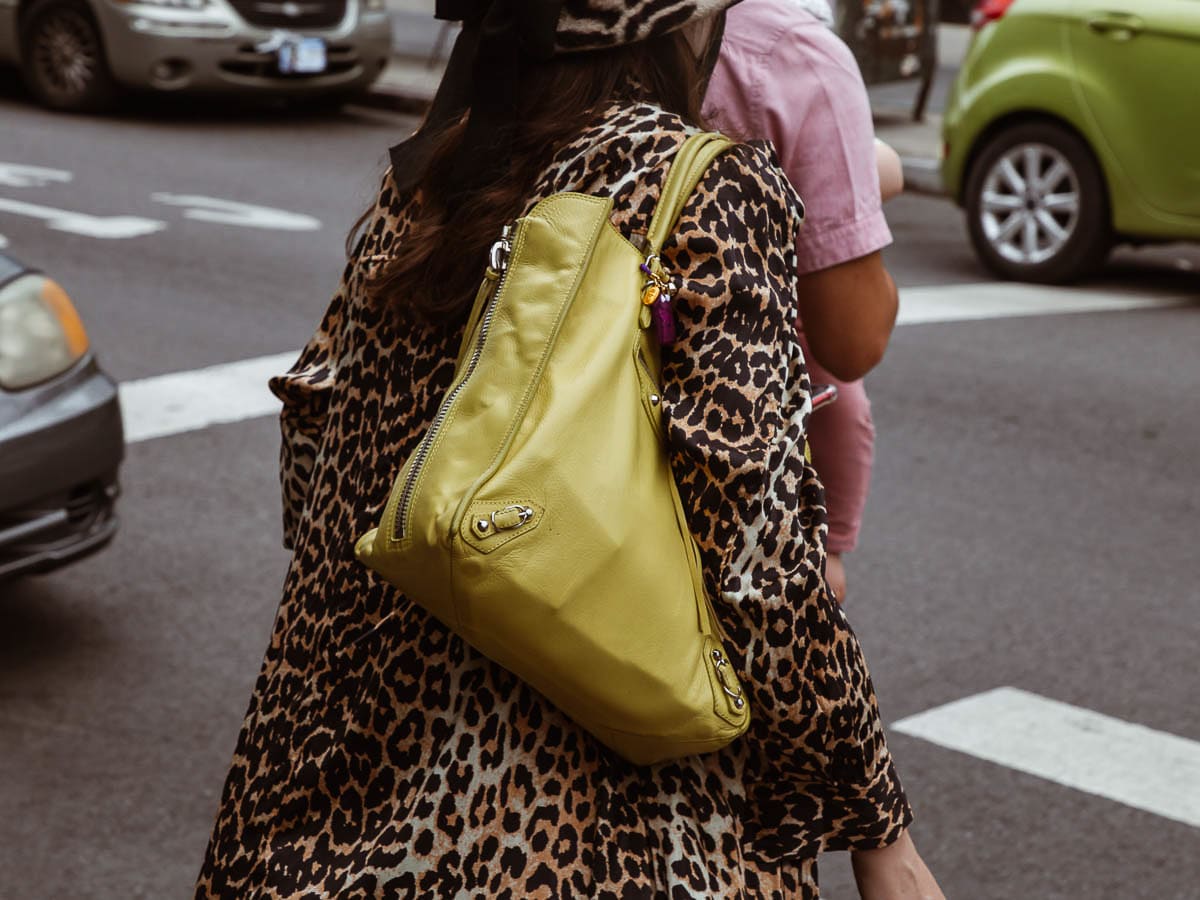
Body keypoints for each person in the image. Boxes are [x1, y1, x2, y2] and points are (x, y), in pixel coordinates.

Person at [195, 0, 943, 896]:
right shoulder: (700, 187)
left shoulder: (435, 168)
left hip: (329, 806)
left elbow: (316, 452)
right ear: (680, 28)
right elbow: (762, 560)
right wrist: (878, 831)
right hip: (583, 832)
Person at [704, 0, 903, 607]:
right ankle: (832, 550)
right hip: (727, 477)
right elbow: (854, 342)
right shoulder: (789, 52)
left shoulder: (545, 21)